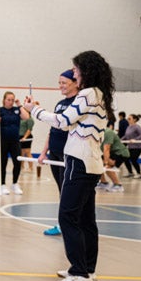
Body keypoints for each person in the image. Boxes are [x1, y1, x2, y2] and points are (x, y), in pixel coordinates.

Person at [24, 50, 114, 281]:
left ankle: (80, 273)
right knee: (85, 219)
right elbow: (70, 121)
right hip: (89, 163)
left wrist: (34, 111)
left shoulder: (87, 94)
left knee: (68, 216)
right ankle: (87, 268)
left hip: (80, 161)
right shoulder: (98, 94)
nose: (73, 73)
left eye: (75, 70)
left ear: (85, 71)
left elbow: (63, 121)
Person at [38, 69, 79, 236]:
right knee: (61, 190)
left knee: (67, 192)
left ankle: (67, 225)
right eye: (59, 83)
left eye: (64, 83)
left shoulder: (78, 103)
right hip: (54, 153)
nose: (60, 86)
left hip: (67, 154)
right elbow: (52, 128)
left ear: (75, 83)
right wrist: (43, 152)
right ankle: (63, 224)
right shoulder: (61, 103)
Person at [0, 91, 29, 195]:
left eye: (12, 100)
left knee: (17, 162)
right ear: (4, 100)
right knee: (3, 162)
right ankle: (2, 185)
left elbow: (26, 117)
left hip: (14, 140)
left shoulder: (17, 110)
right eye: (9, 100)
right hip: (2, 140)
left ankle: (15, 184)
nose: (11, 102)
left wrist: (19, 104)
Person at [97, 113, 128, 193]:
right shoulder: (97, 132)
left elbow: (106, 148)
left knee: (107, 167)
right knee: (97, 164)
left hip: (120, 153)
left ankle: (118, 185)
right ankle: (104, 183)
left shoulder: (107, 132)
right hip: (110, 153)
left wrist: (106, 162)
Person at [121, 114, 141, 179]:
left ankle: (139, 174)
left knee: (133, 159)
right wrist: (120, 140)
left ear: (134, 119)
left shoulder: (137, 127)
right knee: (125, 158)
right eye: (127, 118)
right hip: (131, 147)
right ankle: (130, 172)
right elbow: (126, 136)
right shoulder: (128, 127)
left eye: (129, 118)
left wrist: (135, 139)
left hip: (138, 147)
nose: (128, 120)